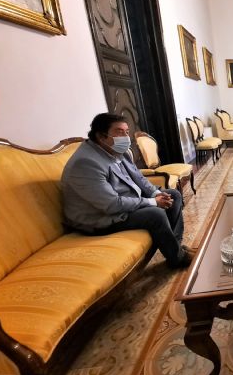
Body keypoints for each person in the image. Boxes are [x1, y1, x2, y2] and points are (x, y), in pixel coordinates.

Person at [62, 113, 192, 269]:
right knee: (155, 214)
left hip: (124, 202)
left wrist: (156, 194)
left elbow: (140, 179)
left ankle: (175, 249)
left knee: (173, 195)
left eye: (127, 132)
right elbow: (111, 204)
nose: (126, 137)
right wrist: (152, 202)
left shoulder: (116, 150)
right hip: (99, 218)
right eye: (119, 132)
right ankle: (178, 258)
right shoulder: (86, 163)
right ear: (101, 136)